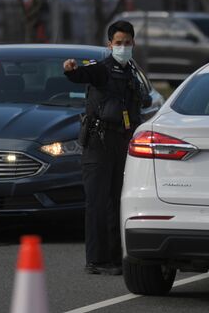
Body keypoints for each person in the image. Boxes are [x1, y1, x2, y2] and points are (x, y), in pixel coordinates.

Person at [63, 20, 151, 275]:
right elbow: (82, 75)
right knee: (98, 203)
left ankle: (114, 257)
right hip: (99, 145)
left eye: (127, 43)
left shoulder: (131, 72)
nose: (123, 47)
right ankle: (96, 259)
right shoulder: (102, 70)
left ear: (133, 43)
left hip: (121, 143)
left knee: (116, 201)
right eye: (118, 43)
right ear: (109, 44)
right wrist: (71, 71)